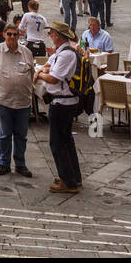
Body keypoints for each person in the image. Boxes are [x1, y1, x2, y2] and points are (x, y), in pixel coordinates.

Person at [36, 21, 82, 194]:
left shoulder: (65, 55)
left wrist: (40, 74)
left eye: (52, 33)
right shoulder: (62, 52)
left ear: (58, 36)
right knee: (66, 141)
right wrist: (43, 69)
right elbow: (49, 65)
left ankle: (68, 182)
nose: (50, 36)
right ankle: (72, 177)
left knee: (57, 143)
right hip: (64, 102)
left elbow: (54, 78)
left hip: (63, 103)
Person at [0, 22, 34, 177]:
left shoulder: (26, 52)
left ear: (19, 35)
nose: (12, 37)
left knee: (22, 135)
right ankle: (4, 163)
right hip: (3, 100)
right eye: (9, 34)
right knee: (4, 134)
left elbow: (31, 74)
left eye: (15, 34)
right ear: (4, 34)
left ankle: (20, 164)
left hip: (23, 101)